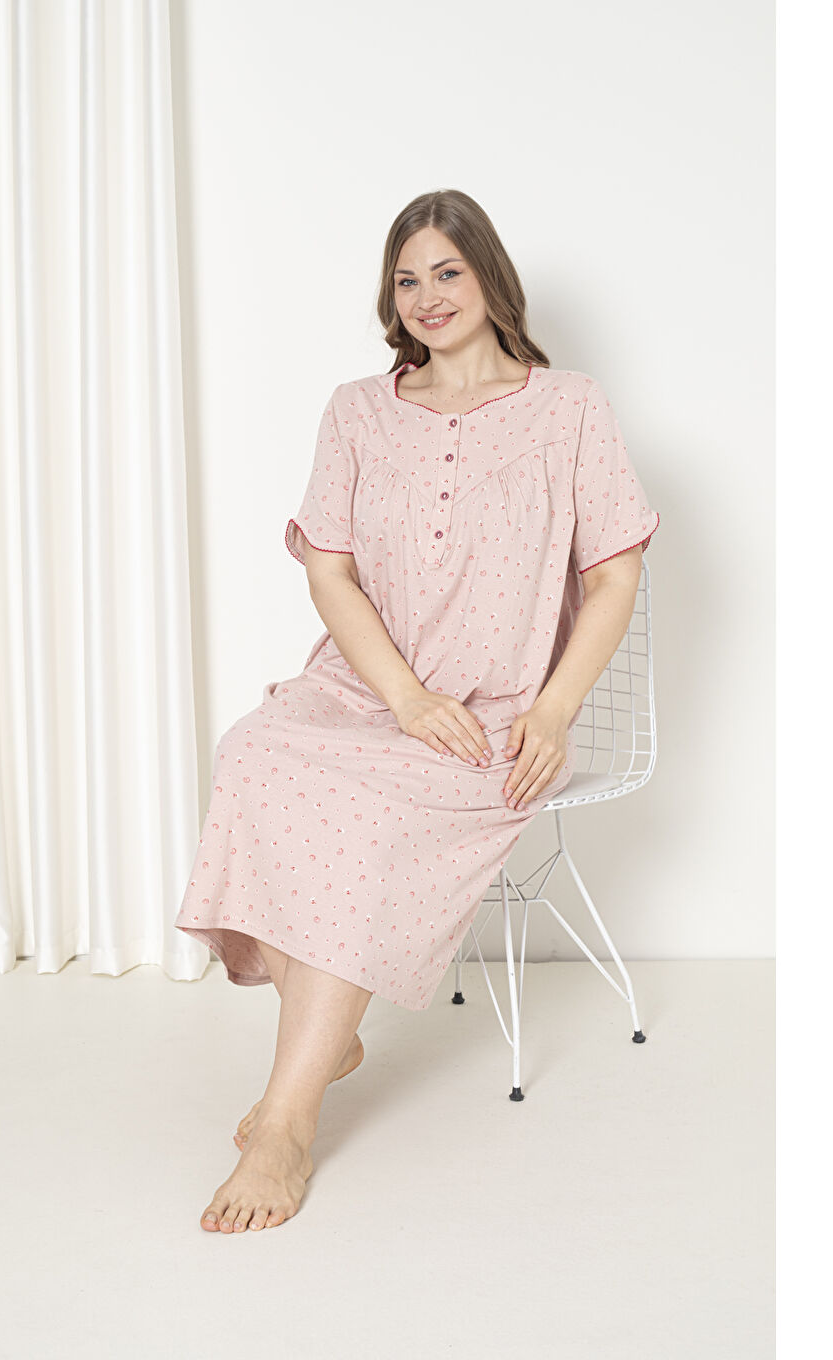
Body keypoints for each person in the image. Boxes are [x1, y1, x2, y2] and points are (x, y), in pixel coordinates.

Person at [173, 188, 661, 1233]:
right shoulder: (357, 410)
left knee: (363, 817)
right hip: (366, 691)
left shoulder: (569, 408)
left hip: (494, 716)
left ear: (489, 277)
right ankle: (329, 1036)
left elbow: (614, 577)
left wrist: (555, 711)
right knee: (253, 752)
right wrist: (402, 696)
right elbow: (331, 571)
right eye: (407, 279)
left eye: (447, 271)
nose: (427, 295)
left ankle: (285, 1121)